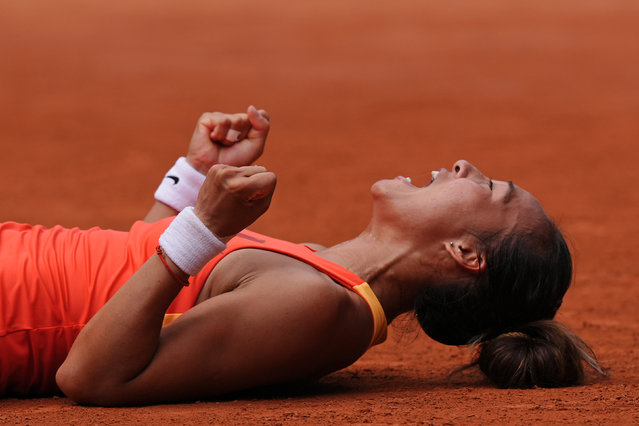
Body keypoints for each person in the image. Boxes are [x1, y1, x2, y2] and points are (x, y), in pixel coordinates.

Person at [0, 106, 602, 404]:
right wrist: (194, 181)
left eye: (491, 189)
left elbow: (94, 373)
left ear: (465, 251)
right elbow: (132, 280)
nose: (469, 166)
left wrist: (205, 228)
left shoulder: (318, 306)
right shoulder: (320, 269)